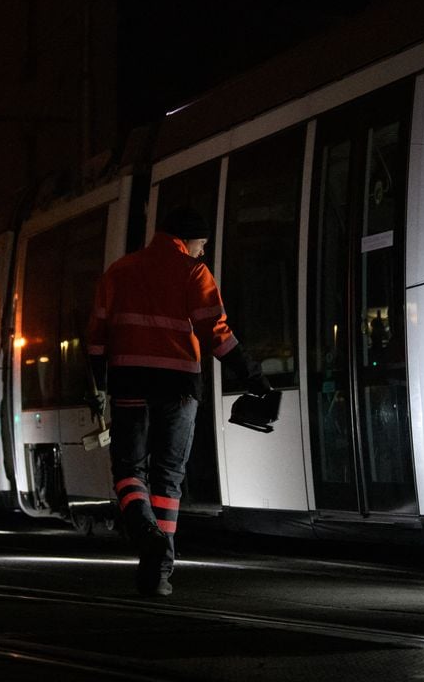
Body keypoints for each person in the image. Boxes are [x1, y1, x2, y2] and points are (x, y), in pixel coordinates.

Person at [87, 206, 271, 597]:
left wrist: (97, 385)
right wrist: (253, 376)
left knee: (128, 469)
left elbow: (96, 337)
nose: (202, 252)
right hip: (180, 387)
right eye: (201, 244)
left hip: (129, 382)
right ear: (187, 240)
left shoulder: (118, 272)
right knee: (168, 476)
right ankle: (160, 572)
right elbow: (217, 334)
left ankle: (144, 531)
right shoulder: (192, 272)